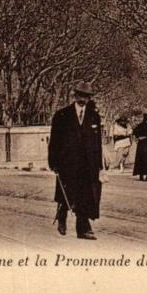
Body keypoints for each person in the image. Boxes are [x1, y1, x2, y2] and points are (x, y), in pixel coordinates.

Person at [47, 82, 103, 240]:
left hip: (87, 164)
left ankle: (83, 228)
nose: (83, 99)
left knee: (85, 195)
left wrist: (99, 165)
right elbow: (54, 141)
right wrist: (53, 162)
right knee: (67, 192)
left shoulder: (94, 117)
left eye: (86, 96)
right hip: (67, 163)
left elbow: (97, 143)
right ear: (75, 95)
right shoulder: (62, 115)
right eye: (80, 95)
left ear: (89, 98)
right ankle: (62, 215)